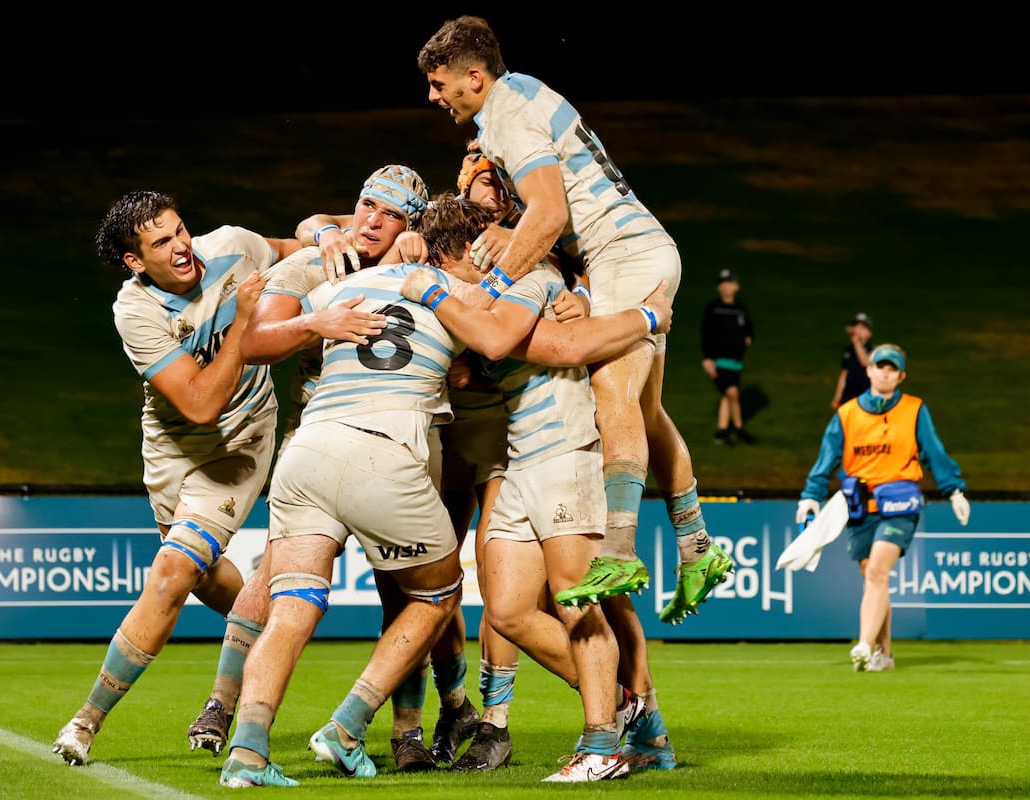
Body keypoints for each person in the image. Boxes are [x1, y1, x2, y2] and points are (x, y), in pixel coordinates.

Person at [416, 16, 733, 624]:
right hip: (632, 248)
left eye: (438, 84)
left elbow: (550, 213)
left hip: (626, 253)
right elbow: (557, 216)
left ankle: (618, 548)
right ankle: (697, 547)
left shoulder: (508, 116)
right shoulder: (527, 95)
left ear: (473, 78)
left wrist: (497, 287)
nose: (434, 96)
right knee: (644, 410)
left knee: (609, 389)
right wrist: (573, 279)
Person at [216, 195, 497, 788]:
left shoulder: (342, 288)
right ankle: (347, 727)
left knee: (290, 607)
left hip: (307, 452)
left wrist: (320, 239)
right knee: (437, 595)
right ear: (458, 252)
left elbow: (255, 340)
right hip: (384, 452)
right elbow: (505, 344)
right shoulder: (460, 295)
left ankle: (246, 754)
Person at [402, 195, 678, 780]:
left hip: (567, 455)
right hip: (522, 461)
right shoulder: (496, 294)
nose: (442, 280)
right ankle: (628, 707)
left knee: (578, 601)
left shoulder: (532, 279)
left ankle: (602, 745)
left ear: (466, 254)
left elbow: (526, 344)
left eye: (442, 266)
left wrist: (430, 294)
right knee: (507, 611)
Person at [52, 190, 304, 766]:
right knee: (200, 575)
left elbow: (302, 248)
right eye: (161, 242)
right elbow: (196, 405)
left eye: (181, 230)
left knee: (172, 570)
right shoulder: (134, 311)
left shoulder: (235, 248)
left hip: (238, 446)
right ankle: (267, 626)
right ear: (134, 261)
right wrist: (243, 323)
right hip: (172, 444)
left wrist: (332, 228)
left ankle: (87, 722)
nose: (181, 246)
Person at [796, 343, 970, 672]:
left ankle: (863, 644)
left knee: (877, 571)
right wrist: (811, 495)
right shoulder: (847, 413)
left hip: (901, 503)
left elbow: (934, 451)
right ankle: (884, 654)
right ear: (869, 370)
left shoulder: (915, 409)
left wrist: (954, 490)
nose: (885, 372)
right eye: (880, 366)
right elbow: (827, 458)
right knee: (873, 578)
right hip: (861, 506)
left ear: (901, 376)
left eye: (892, 368)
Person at [701, 268, 756, 445]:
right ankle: (739, 429)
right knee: (732, 392)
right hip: (719, 361)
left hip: (736, 362)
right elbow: (706, 334)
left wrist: (747, 338)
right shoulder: (714, 309)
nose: (726, 287)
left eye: (729, 283)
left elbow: (749, 330)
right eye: (722, 284)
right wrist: (707, 358)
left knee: (727, 395)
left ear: (736, 287)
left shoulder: (741, 310)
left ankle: (722, 431)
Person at [831, 312, 876, 410]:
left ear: (869, 333)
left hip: (865, 396)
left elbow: (865, 362)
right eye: (856, 327)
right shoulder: (849, 350)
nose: (859, 330)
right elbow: (844, 374)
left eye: (863, 327)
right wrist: (837, 397)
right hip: (848, 396)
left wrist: (856, 343)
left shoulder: (872, 350)